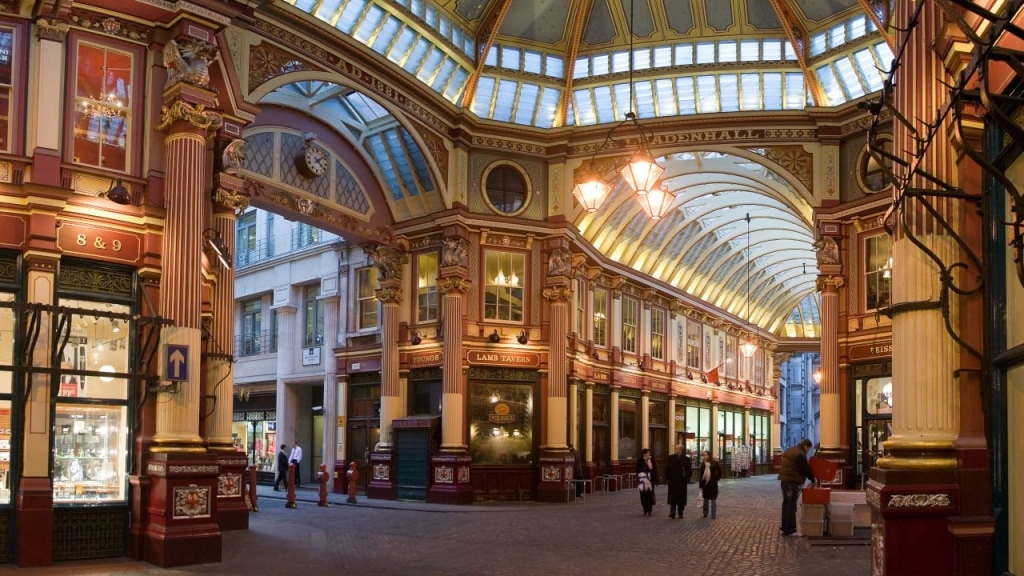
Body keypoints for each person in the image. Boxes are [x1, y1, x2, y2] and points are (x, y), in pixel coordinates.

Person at [778, 438, 816, 536]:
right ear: (806, 446)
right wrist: (813, 479)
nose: (808, 452)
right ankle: (790, 529)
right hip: (792, 482)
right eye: (808, 449)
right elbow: (805, 468)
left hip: (785, 481)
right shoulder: (800, 454)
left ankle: (784, 528)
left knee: (786, 504)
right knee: (791, 505)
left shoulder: (790, 450)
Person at [664, 444, 691, 519]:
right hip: (673, 481)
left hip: (682, 482)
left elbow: (689, 470)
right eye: (675, 448)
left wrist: (687, 478)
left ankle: (680, 512)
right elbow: (667, 469)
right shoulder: (671, 458)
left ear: (681, 450)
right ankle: (672, 513)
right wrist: (668, 478)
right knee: (673, 498)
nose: (675, 450)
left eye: (677, 449)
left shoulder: (686, 459)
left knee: (681, 498)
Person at [698, 450, 722, 519]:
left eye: (706, 455)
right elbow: (701, 475)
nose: (705, 456)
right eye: (704, 455)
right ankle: (705, 513)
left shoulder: (714, 463)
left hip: (713, 484)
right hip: (705, 484)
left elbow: (720, 472)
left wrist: (715, 479)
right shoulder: (703, 464)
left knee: (713, 500)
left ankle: (713, 514)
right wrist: (701, 484)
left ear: (709, 456)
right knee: (706, 500)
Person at [635, 448, 658, 516]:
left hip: (650, 480)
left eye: (649, 453)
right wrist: (644, 469)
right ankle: (645, 509)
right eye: (647, 453)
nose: (649, 454)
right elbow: (637, 469)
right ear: (644, 454)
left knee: (650, 494)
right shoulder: (640, 460)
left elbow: (654, 470)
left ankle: (649, 510)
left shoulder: (651, 460)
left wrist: (656, 479)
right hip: (643, 480)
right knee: (643, 495)